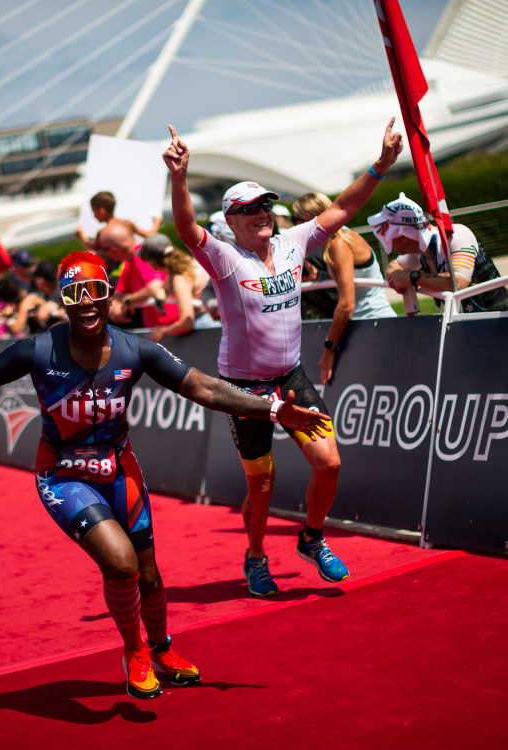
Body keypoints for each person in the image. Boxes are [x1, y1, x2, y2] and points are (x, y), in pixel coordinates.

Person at [0, 250, 331, 700]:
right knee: (121, 564)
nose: (86, 302)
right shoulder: (37, 350)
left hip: (119, 468)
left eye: (95, 292)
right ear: (63, 301)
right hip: (62, 474)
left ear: (110, 297)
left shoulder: (137, 349)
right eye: (76, 294)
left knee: (150, 579)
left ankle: (162, 649)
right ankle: (134, 653)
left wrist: (272, 409)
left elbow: (204, 387)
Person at [163, 119, 403, 596]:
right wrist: (179, 176)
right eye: (249, 209)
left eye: (266, 205)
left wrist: (381, 165)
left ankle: (312, 539)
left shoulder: (292, 243)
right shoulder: (227, 258)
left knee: (329, 464)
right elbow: (188, 229)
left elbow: (339, 208)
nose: (262, 213)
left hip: (290, 377)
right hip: (244, 390)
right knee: (262, 487)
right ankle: (255, 558)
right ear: (231, 220)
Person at [291, 192, 396, 385]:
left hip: (374, 323)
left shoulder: (338, 244)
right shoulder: (334, 238)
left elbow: (347, 304)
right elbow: (350, 277)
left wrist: (329, 346)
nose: (296, 226)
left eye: (299, 220)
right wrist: (320, 276)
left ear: (316, 218)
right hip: (366, 325)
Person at [371, 193, 508, 313]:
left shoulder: (455, 236)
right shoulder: (420, 251)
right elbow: (393, 266)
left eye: (386, 234)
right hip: (470, 326)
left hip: (498, 321)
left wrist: (412, 276)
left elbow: (458, 282)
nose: (387, 243)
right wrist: (399, 277)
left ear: (403, 236)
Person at [138, 234, 220, 342]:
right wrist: (159, 297)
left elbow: (186, 323)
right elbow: (164, 288)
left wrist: (163, 331)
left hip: (206, 324)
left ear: (153, 262)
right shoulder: (189, 263)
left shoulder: (180, 278)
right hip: (217, 320)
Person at [99, 223, 179, 330]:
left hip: (172, 327)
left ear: (114, 250)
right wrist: (115, 306)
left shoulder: (140, 257)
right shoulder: (129, 263)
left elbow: (154, 287)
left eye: (103, 249)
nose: (102, 253)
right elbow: (118, 294)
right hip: (162, 330)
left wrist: (127, 302)